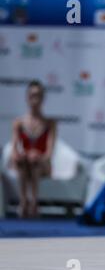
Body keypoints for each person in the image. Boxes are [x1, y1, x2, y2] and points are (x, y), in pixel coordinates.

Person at [10, 80, 56, 218]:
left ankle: (34, 203)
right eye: (32, 95)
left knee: (34, 163)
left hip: (42, 165)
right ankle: (24, 202)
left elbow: (49, 152)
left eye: (38, 96)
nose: (35, 100)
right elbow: (14, 150)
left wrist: (37, 155)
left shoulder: (50, 123)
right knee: (24, 162)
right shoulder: (18, 123)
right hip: (24, 164)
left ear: (43, 98)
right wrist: (21, 155)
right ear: (27, 98)